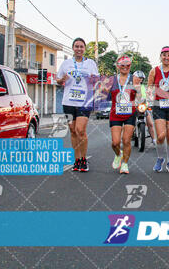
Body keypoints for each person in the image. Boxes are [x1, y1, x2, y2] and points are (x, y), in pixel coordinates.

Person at [56, 37, 99, 172]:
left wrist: (93, 79)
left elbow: (97, 80)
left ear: (84, 49)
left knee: (80, 130)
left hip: (84, 102)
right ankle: (77, 160)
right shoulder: (66, 64)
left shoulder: (90, 63)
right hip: (68, 102)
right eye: (76, 46)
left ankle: (84, 159)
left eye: (81, 46)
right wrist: (62, 79)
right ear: (73, 48)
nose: (79, 49)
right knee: (73, 131)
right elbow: (57, 80)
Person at [109, 56, 142, 174]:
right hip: (115, 113)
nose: (125, 67)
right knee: (115, 142)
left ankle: (125, 164)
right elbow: (103, 93)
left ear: (130, 66)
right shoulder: (112, 79)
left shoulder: (135, 79)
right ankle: (118, 154)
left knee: (126, 140)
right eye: (122, 65)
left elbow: (140, 98)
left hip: (130, 113)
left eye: (127, 65)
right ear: (118, 66)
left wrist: (138, 91)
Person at [133, 70, 156, 142]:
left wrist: (151, 98)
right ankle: (123, 139)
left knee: (150, 123)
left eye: (142, 78)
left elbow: (149, 96)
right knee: (127, 123)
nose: (140, 79)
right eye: (139, 78)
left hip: (142, 107)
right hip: (132, 108)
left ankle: (154, 140)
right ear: (134, 77)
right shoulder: (129, 87)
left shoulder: (143, 87)